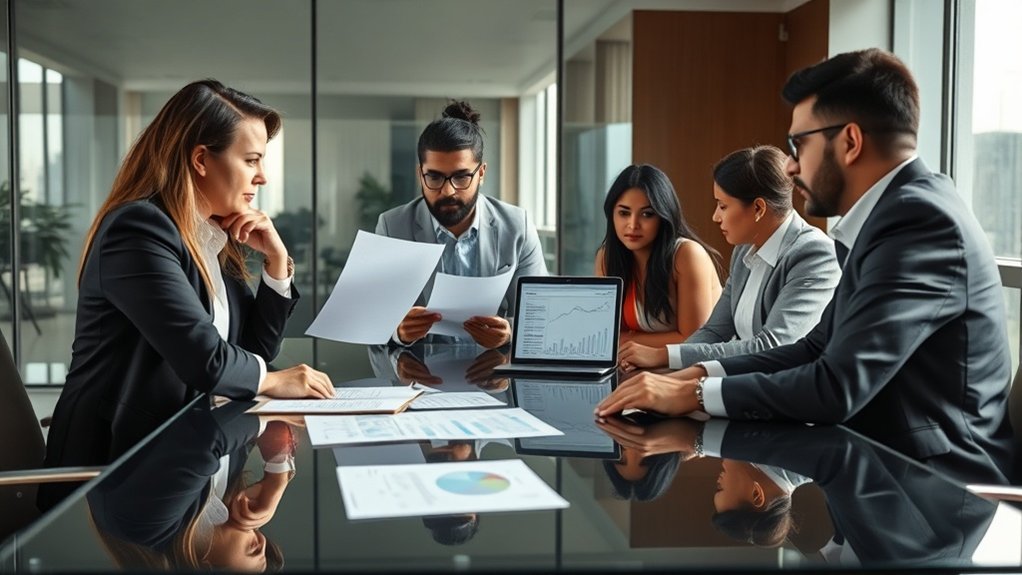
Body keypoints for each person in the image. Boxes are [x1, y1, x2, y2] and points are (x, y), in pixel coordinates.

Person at [597, 48, 1015, 485]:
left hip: (931, 489)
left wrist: (691, 392)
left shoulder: (919, 223)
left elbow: (837, 386)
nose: (791, 166)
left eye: (800, 144)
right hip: (879, 467)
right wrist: (691, 375)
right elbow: (815, 348)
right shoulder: (890, 217)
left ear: (850, 142)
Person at [42, 80, 334, 490]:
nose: (262, 177)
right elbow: (206, 360)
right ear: (201, 159)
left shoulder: (211, 237)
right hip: (116, 473)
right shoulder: (138, 230)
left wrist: (277, 262)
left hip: (183, 456)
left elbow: (253, 354)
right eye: (251, 160)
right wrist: (271, 382)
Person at [617, 146, 839, 372]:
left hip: (786, 395)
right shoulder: (744, 250)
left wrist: (664, 356)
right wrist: (668, 364)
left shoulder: (814, 254)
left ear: (758, 208)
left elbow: (772, 346)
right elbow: (714, 331)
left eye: (723, 206)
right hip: (745, 384)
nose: (715, 216)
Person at [376, 100, 547, 349]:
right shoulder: (392, 226)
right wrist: (398, 331)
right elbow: (374, 315)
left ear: (481, 173)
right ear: (419, 174)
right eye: (434, 177)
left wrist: (509, 332)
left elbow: (538, 316)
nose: (448, 190)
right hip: (417, 374)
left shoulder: (517, 225)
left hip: (492, 373)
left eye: (461, 176)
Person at [595, 164, 722, 350]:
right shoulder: (607, 257)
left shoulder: (687, 255)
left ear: (663, 216)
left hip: (703, 366)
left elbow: (694, 339)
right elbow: (604, 334)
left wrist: (628, 340)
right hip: (641, 363)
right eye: (624, 213)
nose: (632, 225)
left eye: (647, 214)